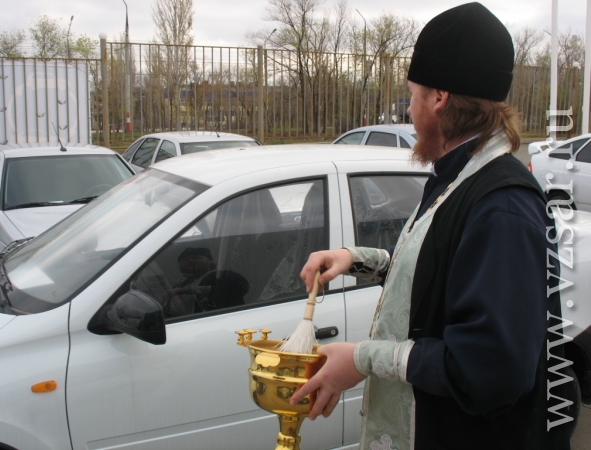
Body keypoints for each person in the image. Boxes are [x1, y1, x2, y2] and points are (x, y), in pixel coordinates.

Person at [290, 3, 570, 450]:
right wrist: (355, 259)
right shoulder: (457, 177)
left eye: (412, 94)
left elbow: (489, 369)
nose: (409, 110)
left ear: (438, 98)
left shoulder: (502, 205)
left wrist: (362, 358)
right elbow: (438, 274)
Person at [161, 247, 249, 316]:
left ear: (210, 261)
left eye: (196, 257)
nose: (190, 260)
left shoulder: (223, 275)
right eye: (185, 259)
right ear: (180, 267)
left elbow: (236, 290)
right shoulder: (178, 286)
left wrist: (184, 291)